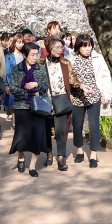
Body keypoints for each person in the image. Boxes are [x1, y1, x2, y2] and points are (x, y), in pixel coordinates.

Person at [8, 42, 51, 177]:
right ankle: (21, 156)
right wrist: (28, 92)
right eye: (32, 54)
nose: (35, 57)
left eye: (36, 54)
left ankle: (32, 165)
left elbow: (46, 85)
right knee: (21, 135)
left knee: (37, 135)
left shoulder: (41, 68)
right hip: (22, 106)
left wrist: (37, 85)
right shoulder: (16, 69)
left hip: (38, 107)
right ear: (25, 55)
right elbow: (13, 88)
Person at [69, 33, 112, 168]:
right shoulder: (71, 59)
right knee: (77, 125)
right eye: (85, 46)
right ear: (79, 47)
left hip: (94, 96)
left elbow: (105, 77)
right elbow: (69, 78)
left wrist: (106, 95)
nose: (88, 49)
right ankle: (79, 150)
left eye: (90, 46)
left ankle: (93, 153)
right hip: (77, 97)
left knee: (94, 125)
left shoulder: (98, 58)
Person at [45, 37, 79, 171]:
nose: (60, 50)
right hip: (46, 100)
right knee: (46, 129)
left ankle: (61, 157)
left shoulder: (65, 62)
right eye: (57, 47)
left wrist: (80, 85)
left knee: (60, 131)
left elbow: (72, 78)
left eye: (61, 47)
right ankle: (48, 153)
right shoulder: (42, 62)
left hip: (62, 99)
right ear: (49, 48)